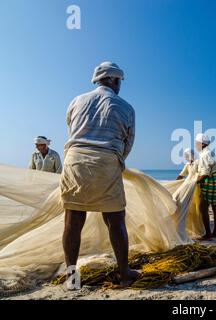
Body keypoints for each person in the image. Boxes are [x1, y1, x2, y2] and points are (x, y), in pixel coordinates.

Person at [60, 61, 138, 287]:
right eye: (119, 81)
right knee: (115, 221)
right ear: (113, 80)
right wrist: (113, 159)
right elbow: (127, 143)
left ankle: (72, 279)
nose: (120, 85)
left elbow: (71, 130)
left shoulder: (77, 100)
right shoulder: (126, 107)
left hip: (75, 160)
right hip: (106, 161)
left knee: (73, 222)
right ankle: (124, 274)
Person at [195, 133, 216, 240]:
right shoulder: (212, 153)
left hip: (212, 180)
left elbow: (205, 174)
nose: (196, 145)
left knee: (202, 207)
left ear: (202, 144)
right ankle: (215, 232)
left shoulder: (203, 155)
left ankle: (208, 234)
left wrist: (193, 182)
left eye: (197, 143)